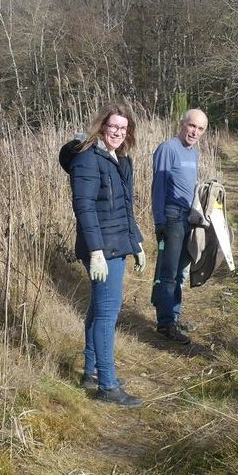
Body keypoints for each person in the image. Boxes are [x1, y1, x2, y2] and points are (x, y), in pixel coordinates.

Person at [68, 103, 147, 407]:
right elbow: (84, 207)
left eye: (123, 128)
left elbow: (125, 208)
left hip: (117, 244)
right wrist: (96, 251)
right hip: (102, 249)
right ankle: (107, 385)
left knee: (97, 308)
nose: (118, 132)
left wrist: (136, 242)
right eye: (113, 126)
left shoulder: (119, 159)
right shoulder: (88, 158)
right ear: (102, 126)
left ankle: (91, 371)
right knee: (107, 314)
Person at [151, 108, 208, 344]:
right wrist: (159, 221)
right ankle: (165, 324)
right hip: (172, 217)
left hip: (188, 219)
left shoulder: (193, 153)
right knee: (169, 273)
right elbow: (159, 187)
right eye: (192, 125)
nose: (195, 132)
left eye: (200, 128)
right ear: (182, 124)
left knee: (180, 272)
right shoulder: (168, 148)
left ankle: (173, 316)